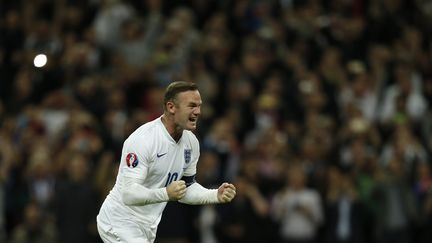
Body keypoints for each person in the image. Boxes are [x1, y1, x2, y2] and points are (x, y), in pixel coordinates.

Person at [96, 81, 236, 243]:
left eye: (199, 106)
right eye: (191, 106)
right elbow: (128, 194)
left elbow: (186, 189)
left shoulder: (191, 143)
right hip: (118, 221)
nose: (198, 112)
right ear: (171, 107)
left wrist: (214, 195)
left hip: (147, 227)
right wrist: (166, 193)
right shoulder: (143, 140)